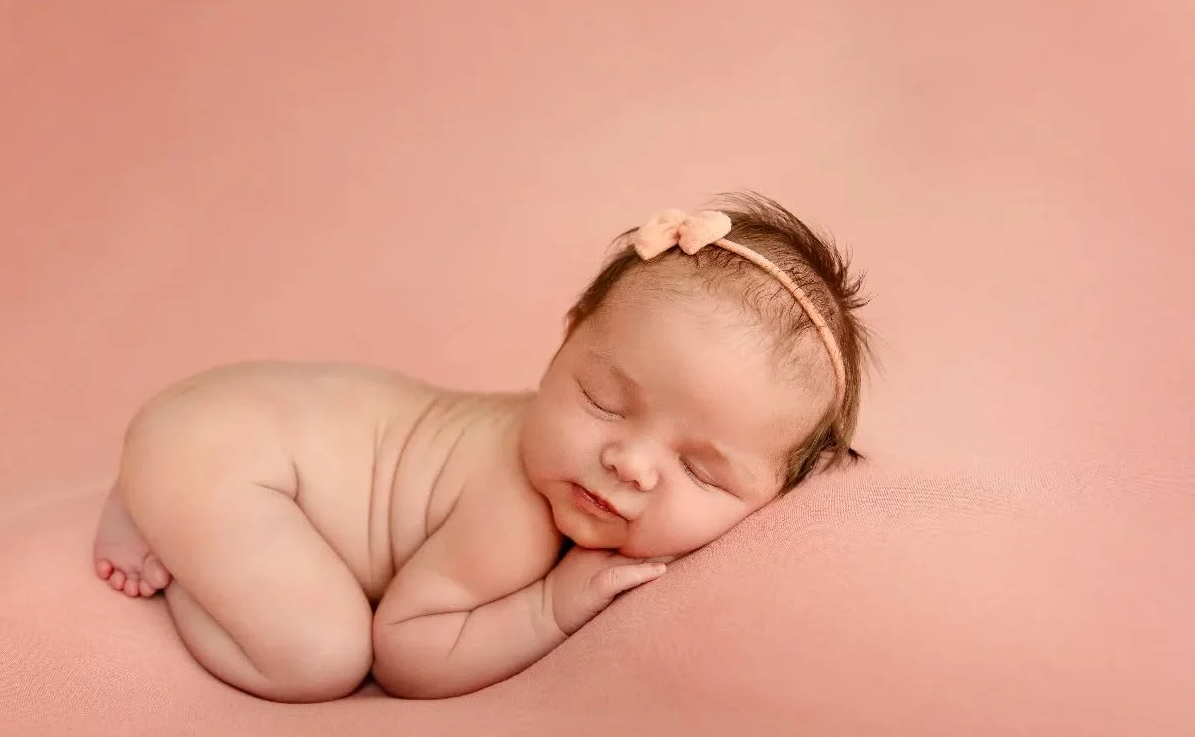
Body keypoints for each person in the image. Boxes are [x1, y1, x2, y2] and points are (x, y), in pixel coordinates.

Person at [92, 192, 877, 702]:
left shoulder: (584, 471)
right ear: (566, 341)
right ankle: (168, 528)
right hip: (229, 456)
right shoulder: (516, 510)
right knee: (319, 655)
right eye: (602, 401)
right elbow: (406, 650)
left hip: (224, 415)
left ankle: (164, 493)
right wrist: (549, 607)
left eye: (699, 470)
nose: (630, 463)